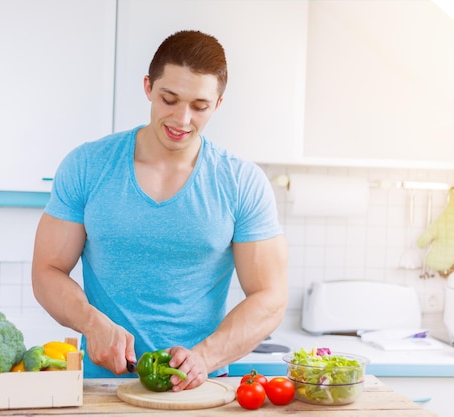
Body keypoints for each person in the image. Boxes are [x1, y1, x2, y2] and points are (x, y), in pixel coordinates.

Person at [31, 30, 288, 391]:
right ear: (148, 87)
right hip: (101, 387)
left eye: (199, 107)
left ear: (218, 105)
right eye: (169, 99)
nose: (182, 119)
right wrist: (92, 323)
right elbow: (47, 270)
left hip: (202, 387)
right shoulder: (87, 165)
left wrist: (205, 358)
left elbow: (271, 296)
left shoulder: (241, 181)